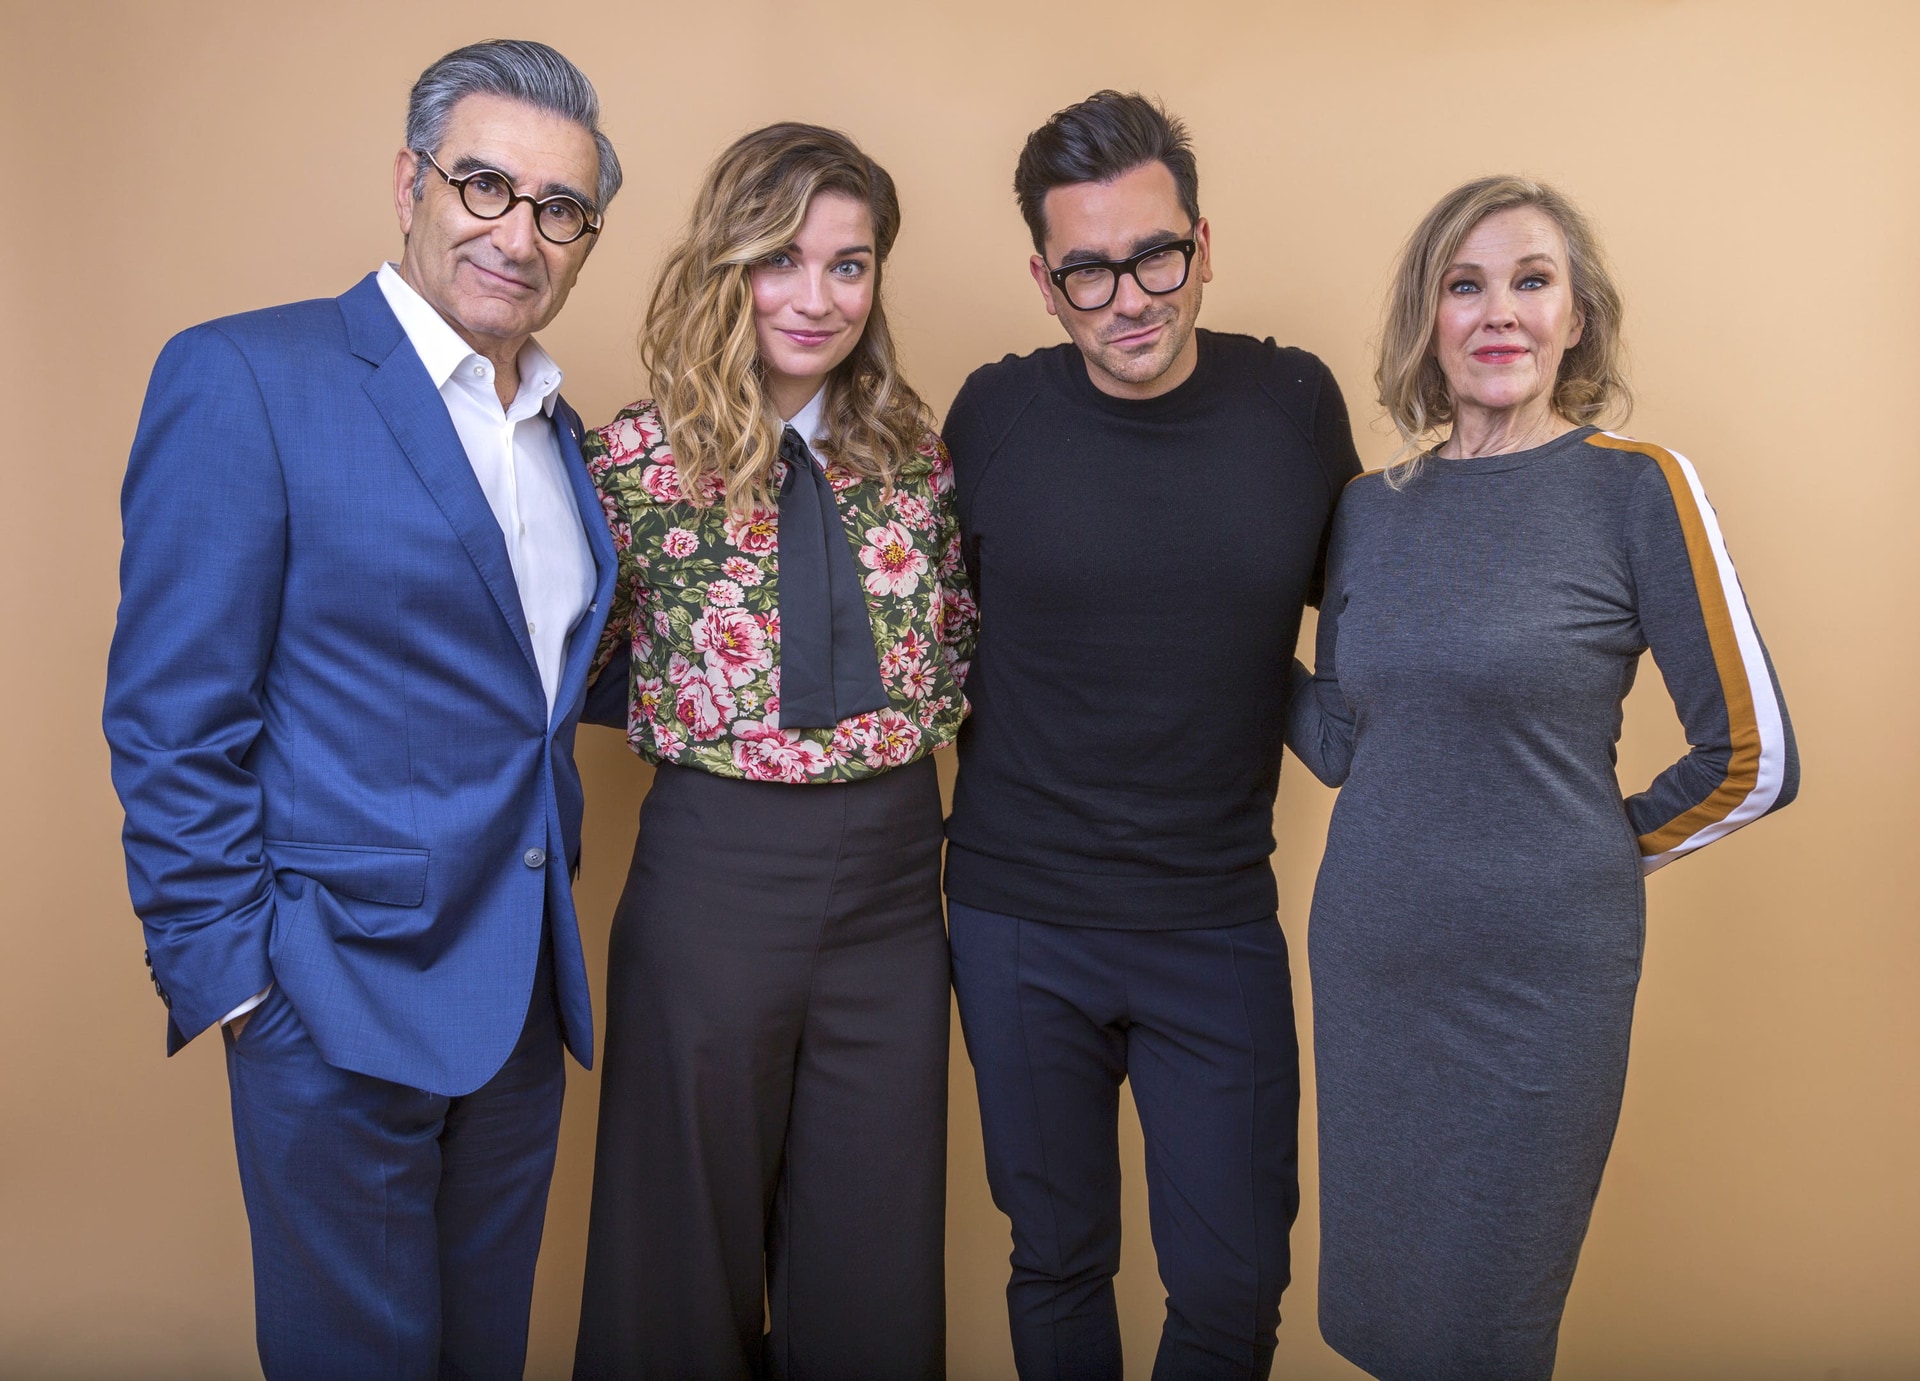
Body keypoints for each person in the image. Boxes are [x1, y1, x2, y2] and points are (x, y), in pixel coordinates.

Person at [101, 40, 621, 1379]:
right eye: (486, 186)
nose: (521, 234)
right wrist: (238, 988)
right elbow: (170, 716)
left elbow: (526, 703)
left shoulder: (565, 434)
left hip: (514, 1003)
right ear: (411, 181)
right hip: (327, 998)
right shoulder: (248, 377)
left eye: (560, 209)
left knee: (480, 1357)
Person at [1286, 175, 1800, 1381]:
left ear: (1578, 318)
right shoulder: (1368, 511)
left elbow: (1755, 753)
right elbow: (1348, 741)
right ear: (1429, 319)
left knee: (1482, 1332)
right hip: (1372, 969)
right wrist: (1221, 642)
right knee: (1382, 1323)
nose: (1498, 313)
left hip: (1536, 990)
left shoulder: (1635, 489)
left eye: (1531, 281)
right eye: (1464, 286)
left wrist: (1585, 855)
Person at [941, 91, 1362, 1380]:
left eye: (1156, 255)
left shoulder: (1293, 403)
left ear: (1204, 242)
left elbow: (1368, 640)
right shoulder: (992, 418)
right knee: (1059, 1261)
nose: (1130, 296)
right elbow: (912, 626)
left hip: (1215, 918)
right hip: (1020, 917)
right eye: (1088, 270)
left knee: (1233, 1289)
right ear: (1044, 278)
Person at [571, 122, 975, 1380]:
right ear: (727, 266)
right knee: (674, 1246)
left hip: (899, 885)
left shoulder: (919, 457)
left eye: (850, 265)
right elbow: (575, 659)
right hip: (712, 874)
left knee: (877, 1247)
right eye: (784, 259)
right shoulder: (633, 462)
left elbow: (958, 644)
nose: (818, 297)